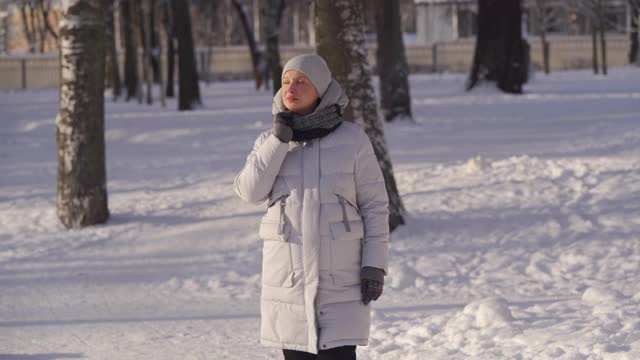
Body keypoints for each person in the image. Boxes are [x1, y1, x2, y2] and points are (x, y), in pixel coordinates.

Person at [233, 54, 390, 360]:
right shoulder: (269, 141)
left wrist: (375, 264)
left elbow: (375, 206)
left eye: (301, 81)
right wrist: (279, 141)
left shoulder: (353, 140)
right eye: (286, 81)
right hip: (288, 283)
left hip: (340, 283)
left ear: (320, 88)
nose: (291, 87)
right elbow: (249, 192)